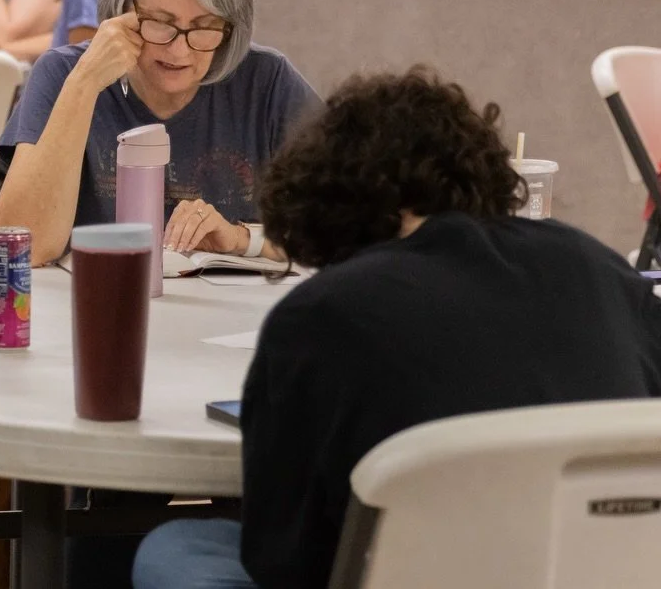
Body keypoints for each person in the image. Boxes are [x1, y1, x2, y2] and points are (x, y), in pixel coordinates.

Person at [131, 69, 661, 589]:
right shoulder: (601, 269)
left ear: (333, 196)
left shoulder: (320, 316)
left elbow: (284, 560)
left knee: (176, 548)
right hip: (599, 572)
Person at [0, 0, 317, 586]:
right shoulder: (64, 74)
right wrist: (85, 80)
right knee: (115, 500)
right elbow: (21, 237)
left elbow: (346, 228)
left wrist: (245, 236)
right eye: (160, 21)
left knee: (265, 481)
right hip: (102, 357)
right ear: (122, 6)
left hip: (230, 364)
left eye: (204, 29)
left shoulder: (267, 83)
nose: (178, 49)